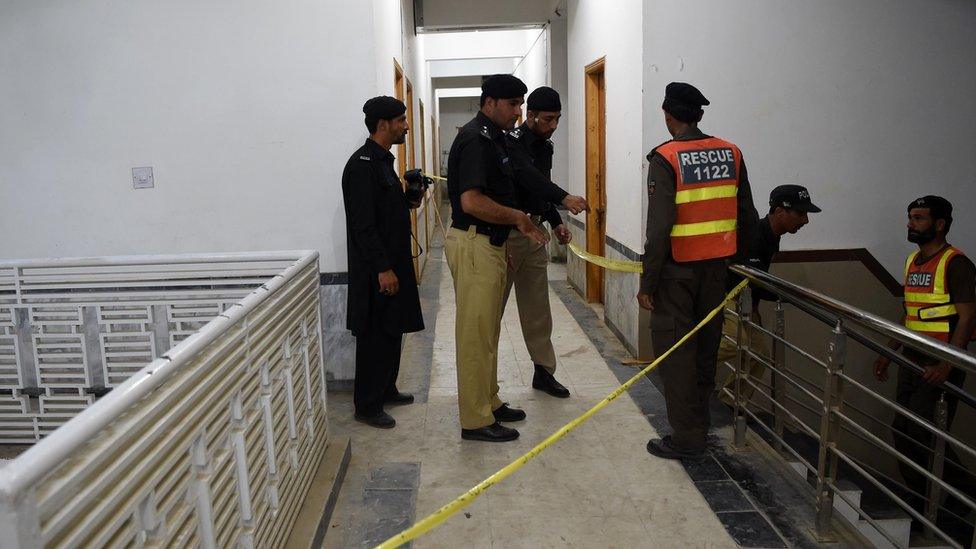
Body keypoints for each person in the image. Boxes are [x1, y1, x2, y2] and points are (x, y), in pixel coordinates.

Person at [637, 82, 759, 460]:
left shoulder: (666, 158)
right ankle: (700, 427)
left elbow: (659, 229)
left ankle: (687, 438)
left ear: (667, 115)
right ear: (700, 115)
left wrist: (648, 282)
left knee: (677, 355)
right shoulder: (731, 153)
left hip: (676, 274)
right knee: (706, 351)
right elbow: (747, 217)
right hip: (716, 273)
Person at [445, 74, 549, 442]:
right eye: (512, 104)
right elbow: (471, 201)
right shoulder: (476, 138)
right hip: (474, 243)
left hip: (489, 244)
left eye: (521, 104)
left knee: (487, 331)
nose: (518, 111)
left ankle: (489, 400)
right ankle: (475, 419)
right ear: (489, 103)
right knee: (475, 336)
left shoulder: (495, 137)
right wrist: (518, 218)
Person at [873, 196, 976, 534]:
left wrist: (948, 364)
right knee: (903, 431)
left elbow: (966, 318)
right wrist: (890, 351)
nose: (910, 224)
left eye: (918, 218)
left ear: (940, 224)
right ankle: (925, 501)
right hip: (912, 358)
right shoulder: (913, 262)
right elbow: (911, 313)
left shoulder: (956, 263)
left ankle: (958, 497)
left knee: (923, 432)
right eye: (910, 218)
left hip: (939, 362)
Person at [341, 96, 424, 429]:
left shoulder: (383, 162)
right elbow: (364, 225)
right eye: (401, 120)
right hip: (377, 271)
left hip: (394, 264)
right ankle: (368, 404)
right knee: (375, 336)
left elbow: (387, 214)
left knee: (392, 331)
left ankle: (387, 389)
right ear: (383, 124)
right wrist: (382, 268)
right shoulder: (361, 166)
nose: (406, 126)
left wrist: (411, 197)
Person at [504, 86, 588, 398]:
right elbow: (529, 178)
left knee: (537, 307)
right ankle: (484, 381)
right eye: (548, 119)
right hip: (509, 234)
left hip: (535, 232)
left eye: (558, 119)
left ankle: (543, 371)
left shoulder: (545, 147)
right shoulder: (510, 144)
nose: (553, 125)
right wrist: (564, 197)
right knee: (492, 309)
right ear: (531, 115)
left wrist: (555, 222)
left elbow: (540, 188)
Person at [717, 185, 821, 407]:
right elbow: (748, 279)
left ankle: (729, 402)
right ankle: (682, 366)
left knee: (759, 354)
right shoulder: (754, 234)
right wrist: (787, 294)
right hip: (725, 298)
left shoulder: (773, 236)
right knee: (733, 343)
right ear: (780, 211)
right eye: (801, 214)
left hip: (744, 302)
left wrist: (754, 307)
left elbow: (755, 280)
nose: (805, 221)